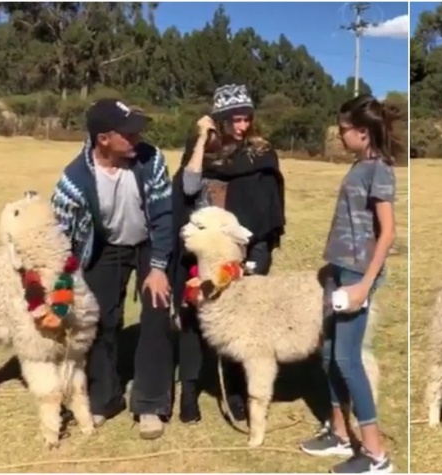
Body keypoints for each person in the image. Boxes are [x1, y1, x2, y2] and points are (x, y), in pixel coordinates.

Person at [50, 98, 174, 439]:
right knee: (101, 319)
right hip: (105, 248)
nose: (138, 138)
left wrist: (159, 267)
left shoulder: (152, 160)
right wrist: (64, 281)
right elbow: (61, 237)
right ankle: (105, 398)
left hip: (149, 243)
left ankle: (150, 404)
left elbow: (164, 216)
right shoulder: (73, 181)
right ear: (104, 138)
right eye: (129, 133)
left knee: (156, 312)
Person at [170, 83, 286, 424]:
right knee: (195, 316)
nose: (243, 126)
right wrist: (202, 140)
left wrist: (258, 250)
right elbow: (189, 187)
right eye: (235, 119)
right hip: (205, 250)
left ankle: (235, 391)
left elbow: (269, 204)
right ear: (219, 120)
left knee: (241, 321)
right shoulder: (204, 148)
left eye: (247, 118)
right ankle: (189, 390)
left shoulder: (260, 151)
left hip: (249, 249)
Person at [298, 94, 398, 473]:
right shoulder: (359, 166)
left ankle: (376, 454)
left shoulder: (379, 170)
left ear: (362, 132)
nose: (339, 136)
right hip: (340, 270)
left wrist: (363, 286)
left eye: (343, 130)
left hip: (358, 275)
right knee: (328, 355)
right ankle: (340, 434)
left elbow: (387, 233)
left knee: (347, 359)